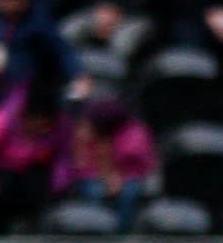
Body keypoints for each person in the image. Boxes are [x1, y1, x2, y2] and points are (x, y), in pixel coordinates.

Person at [0, 75, 70, 233]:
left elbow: (63, 159)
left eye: (45, 125)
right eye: (37, 122)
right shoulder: (1, 121)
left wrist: (58, 185)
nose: (41, 129)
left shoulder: (60, 127)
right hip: (0, 182)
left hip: (34, 182)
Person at [66, 94, 156, 229]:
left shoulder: (134, 131)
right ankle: (95, 229)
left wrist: (116, 177)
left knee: (128, 193)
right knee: (93, 191)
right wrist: (83, 145)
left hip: (129, 176)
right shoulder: (85, 134)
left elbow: (134, 160)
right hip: (94, 176)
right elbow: (81, 166)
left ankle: (121, 231)